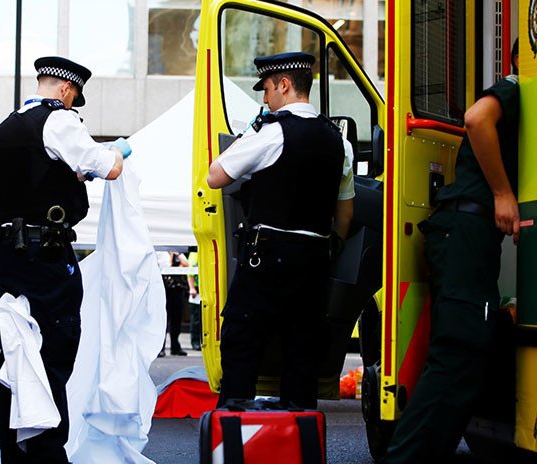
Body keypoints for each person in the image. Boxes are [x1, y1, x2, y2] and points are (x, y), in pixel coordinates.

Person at [0, 56, 132, 464]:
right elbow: (109, 168)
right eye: (74, 98)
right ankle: (48, 454)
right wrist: (117, 150)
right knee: (52, 351)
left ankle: (14, 450)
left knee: (16, 352)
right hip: (47, 257)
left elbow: (40, 175)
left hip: (13, 255)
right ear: (67, 90)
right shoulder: (60, 120)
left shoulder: (7, 126)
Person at [383, 40, 521, 464]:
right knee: (457, 358)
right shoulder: (516, 86)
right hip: (466, 229)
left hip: (462, 233)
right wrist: (502, 194)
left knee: (465, 357)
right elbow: (476, 119)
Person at [207, 51, 354, 409]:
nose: (265, 98)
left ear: (284, 86)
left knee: (243, 342)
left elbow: (216, 176)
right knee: (302, 349)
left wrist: (251, 130)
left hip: (267, 257)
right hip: (316, 258)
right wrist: (330, 245)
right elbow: (345, 209)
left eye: (268, 89)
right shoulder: (339, 140)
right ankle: (298, 436)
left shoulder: (272, 132)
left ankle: (234, 434)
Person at [157, 251, 192, 357]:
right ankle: (160, 347)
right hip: (163, 286)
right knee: (163, 317)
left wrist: (176, 255)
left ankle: (175, 346)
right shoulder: (159, 253)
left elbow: (186, 264)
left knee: (176, 316)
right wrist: (171, 257)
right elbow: (165, 266)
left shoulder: (178, 253)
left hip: (177, 287)